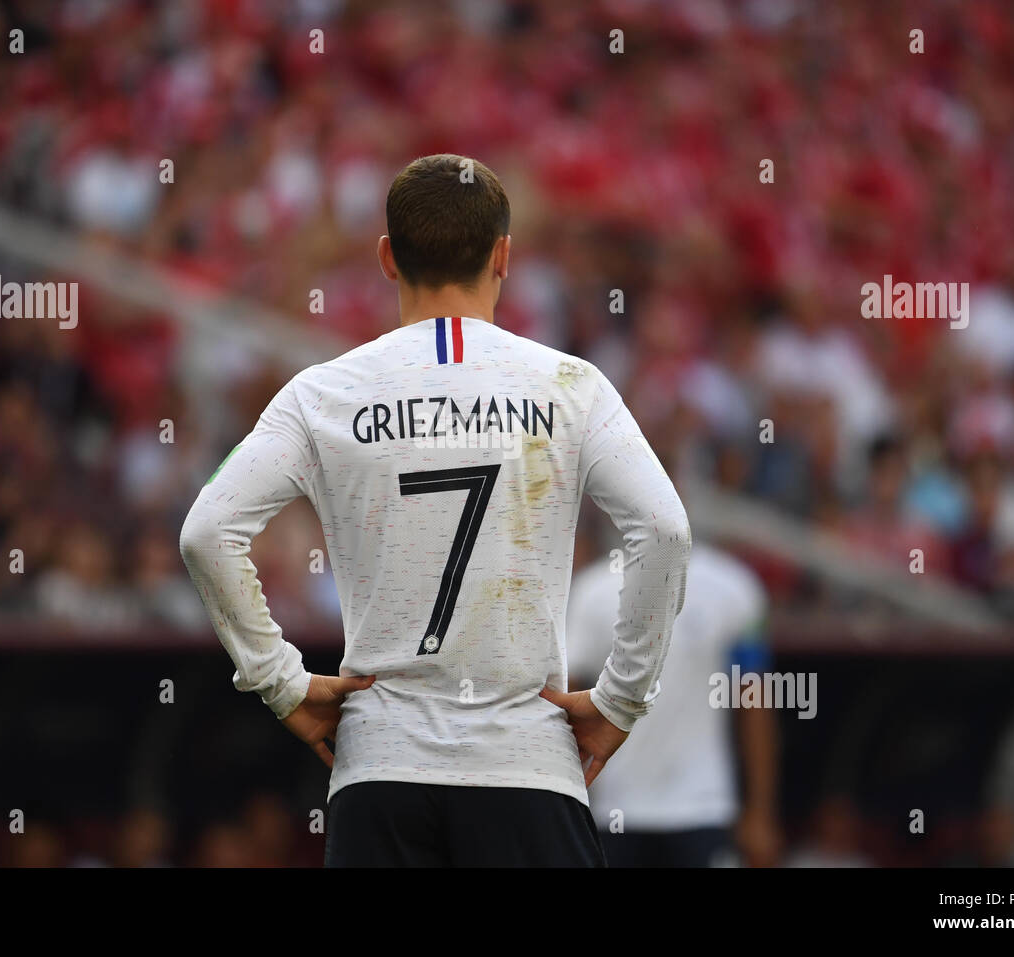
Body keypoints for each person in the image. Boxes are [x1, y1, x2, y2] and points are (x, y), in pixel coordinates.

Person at [180, 154, 690, 867]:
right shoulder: (573, 385)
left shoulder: (322, 392)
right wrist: (619, 701)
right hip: (527, 767)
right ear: (504, 256)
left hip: (380, 772)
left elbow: (207, 532)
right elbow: (664, 531)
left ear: (387, 258)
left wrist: (281, 682)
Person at [567, 542, 780, 867]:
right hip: (616, 809)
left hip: (703, 806)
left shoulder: (733, 587)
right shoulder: (593, 591)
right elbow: (568, 707)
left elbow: (755, 704)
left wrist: (761, 812)